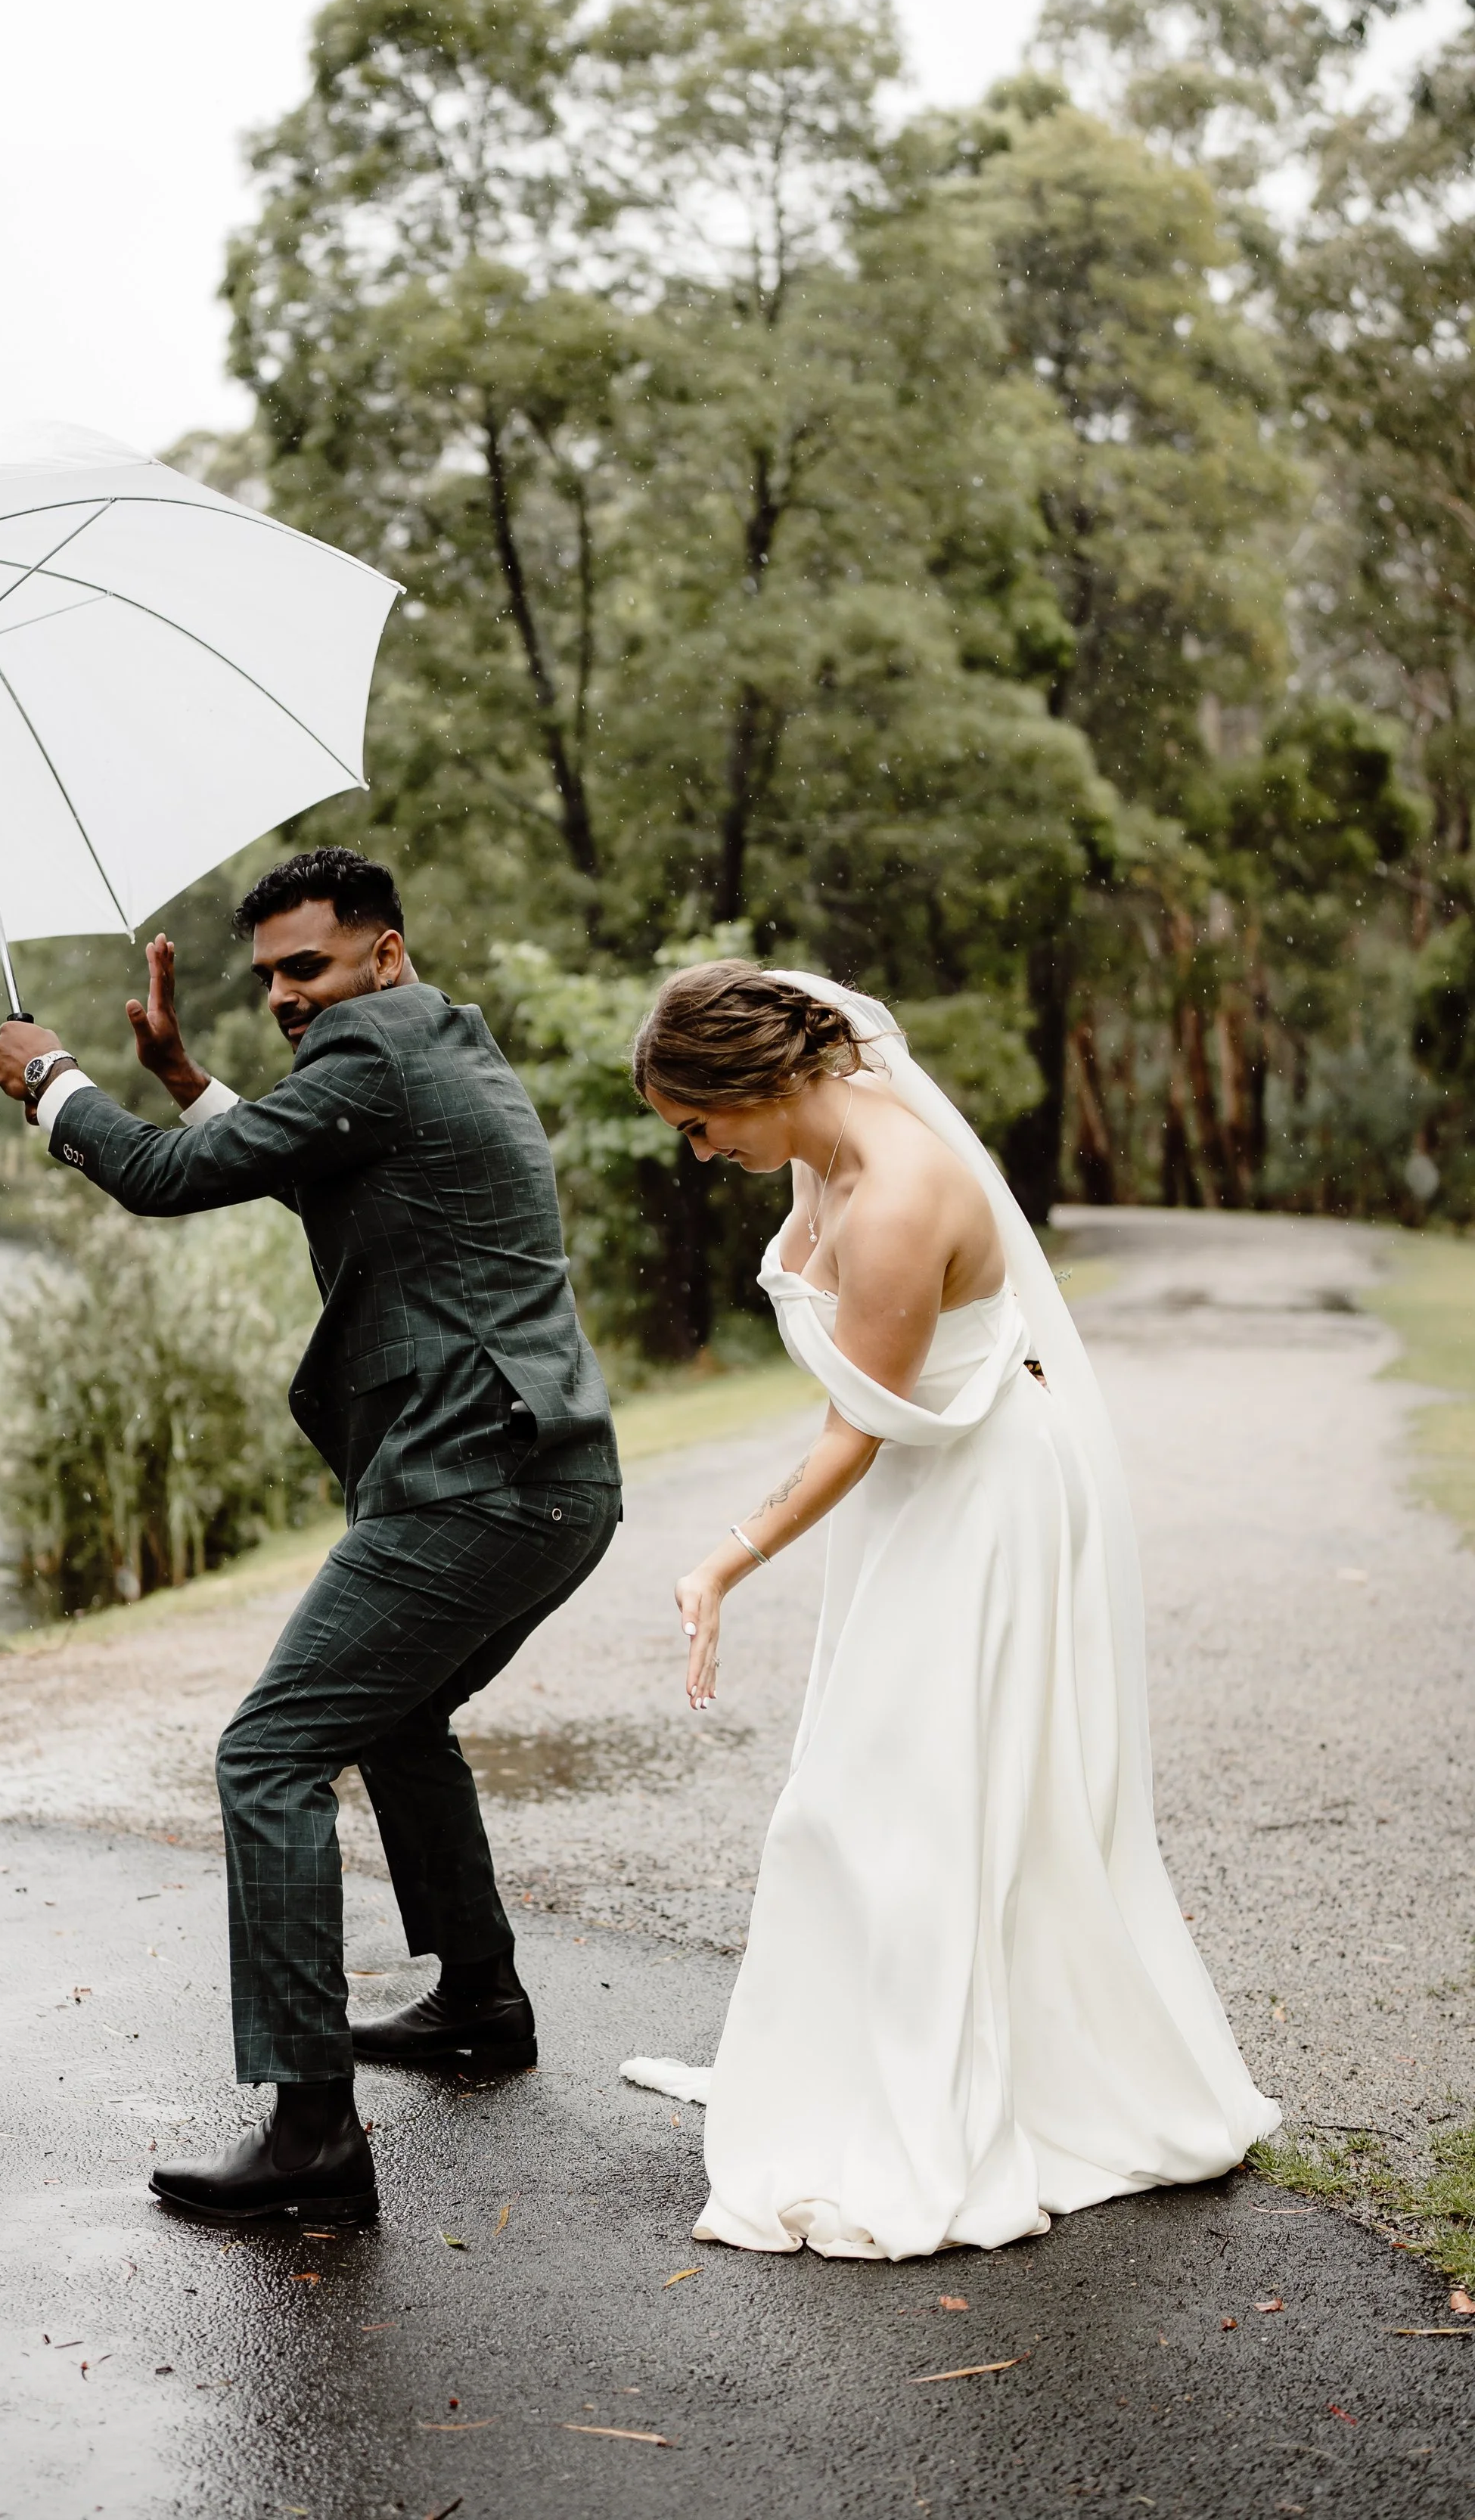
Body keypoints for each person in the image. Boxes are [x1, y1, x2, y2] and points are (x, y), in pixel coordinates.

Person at [0, 849, 620, 2228]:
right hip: (555, 1480)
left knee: (268, 1753)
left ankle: (312, 2136)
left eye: (309, 968)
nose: (285, 996)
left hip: (473, 1483)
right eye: (269, 974)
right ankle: (477, 1999)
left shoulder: (373, 1055)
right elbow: (288, 1158)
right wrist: (171, 1070)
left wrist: (55, 1081)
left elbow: (162, 1181)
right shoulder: (429, 1043)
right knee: (394, 1722)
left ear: (382, 952)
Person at [620, 961, 1278, 2261]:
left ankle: (932, 2099)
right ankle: (876, 2053)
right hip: (930, 1484)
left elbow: (857, 1428)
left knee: (897, 1798)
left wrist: (721, 1563)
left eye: (700, 1125)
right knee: (892, 1790)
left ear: (756, 1078)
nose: (700, 1154)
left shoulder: (898, 1194)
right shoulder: (824, 1142)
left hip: (981, 1496)